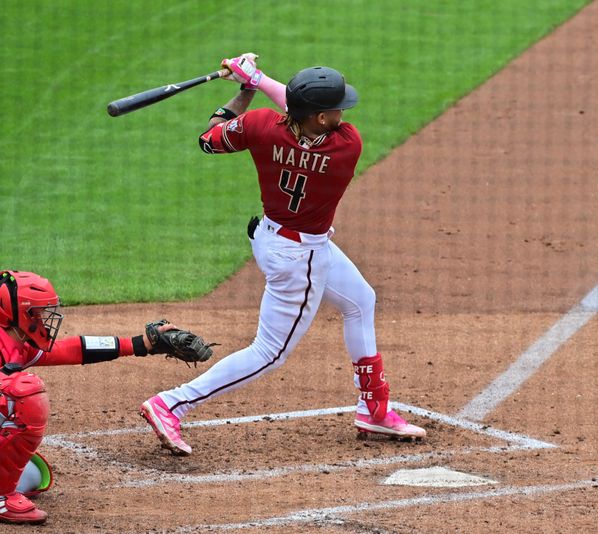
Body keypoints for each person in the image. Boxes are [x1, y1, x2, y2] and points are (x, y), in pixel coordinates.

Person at [140, 53, 426, 456]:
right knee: (269, 352)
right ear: (321, 119)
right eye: (336, 108)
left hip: (273, 239)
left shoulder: (260, 127)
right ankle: (172, 403)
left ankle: (373, 409)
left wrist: (244, 91)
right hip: (301, 259)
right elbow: (289, 107)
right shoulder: (346, 146)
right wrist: (259, 77)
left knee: (360, 300)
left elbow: (210, 139)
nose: (343, 112)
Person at [0, 270, 212, 525]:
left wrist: (140, 344)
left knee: (31, 475)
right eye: (39, 313)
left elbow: (73, 349)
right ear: (20, 313)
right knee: (24, 391)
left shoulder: (15, 342)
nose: (47, 320)